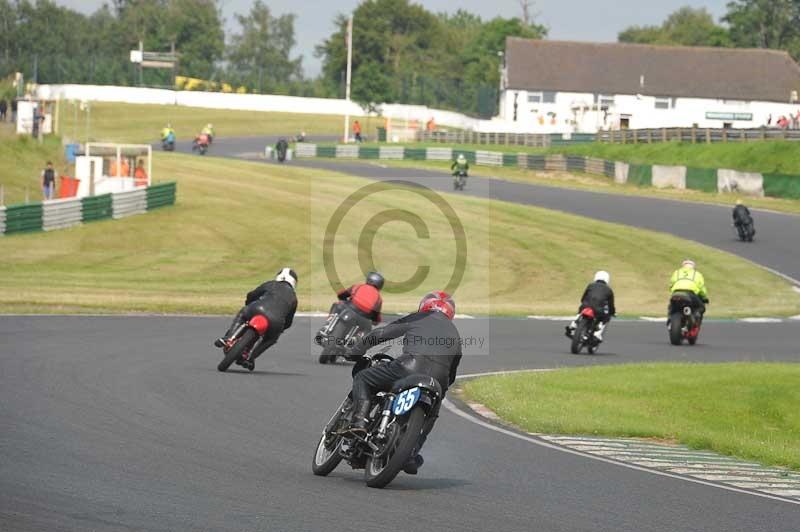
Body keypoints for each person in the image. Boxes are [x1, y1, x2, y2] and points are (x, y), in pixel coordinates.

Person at [345, 291, 461, 475]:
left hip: (409, 367)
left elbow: (382, 333)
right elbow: (451, 374)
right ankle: (412, 452)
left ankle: (359, 421)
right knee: (431, 416)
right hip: (437, 382)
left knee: (363, 378)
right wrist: (439, 393)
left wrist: (356, 350)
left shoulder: (420, 317)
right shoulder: (455, 333)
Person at [214, 268, 299, 371]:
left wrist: (248, 302)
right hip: (276, 322)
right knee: (272, 339)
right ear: (294, 282)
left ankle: (228, 337)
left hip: (257, 309)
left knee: (243, 313)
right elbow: (289, 321)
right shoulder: (294, 298)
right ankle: (251, 358)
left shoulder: (271, 284)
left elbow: (252, 294)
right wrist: (280, 329)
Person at [566, 271, 616, 341]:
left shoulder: (590, 285)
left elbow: (583, 298)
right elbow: (611, 304)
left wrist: (585, 303)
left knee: (580, 311)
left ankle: (573, 324)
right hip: (598, 309)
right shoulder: (609, 290)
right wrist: (612, 312)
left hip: (585, 306)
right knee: (606, 318)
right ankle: (597, 334)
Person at [669, 259, 709, 323]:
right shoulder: (697, 274)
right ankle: (696, 315)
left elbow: (671, 285)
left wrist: (673, 292)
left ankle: (669, 319)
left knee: (671, 306)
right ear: (693, 267)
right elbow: (702, 288)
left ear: (683, 266)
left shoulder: (677, 272)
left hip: (676, 293)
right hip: (690, 294)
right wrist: (704, 297)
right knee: (701, 307)